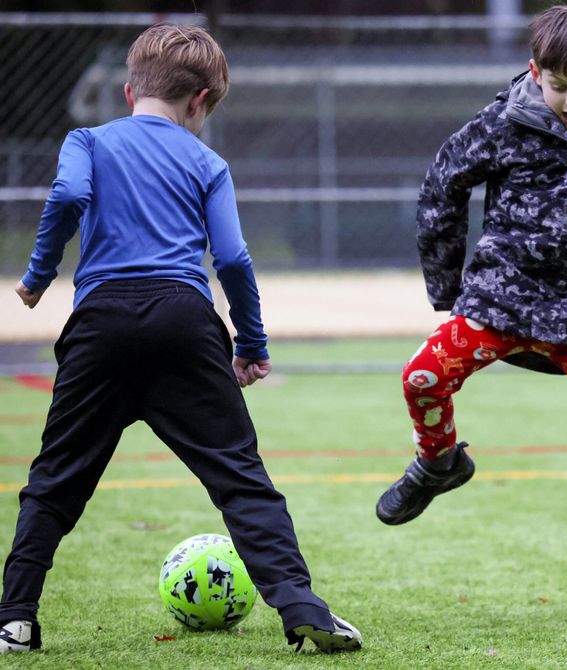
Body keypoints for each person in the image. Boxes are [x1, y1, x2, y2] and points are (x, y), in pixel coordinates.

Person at [0, 24, 361, 654]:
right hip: (185, 322)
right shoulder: (207, 161)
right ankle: (303, 607)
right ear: (200, 102)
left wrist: (37, 277)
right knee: (240, 477)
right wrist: (250, 343)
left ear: (127, 88)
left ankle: (15, 618)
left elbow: (68, 194)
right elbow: (234, 259)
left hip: (101, 324)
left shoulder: (87, 139)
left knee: (55, 478)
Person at [376, 5, 567, 602]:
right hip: (499, 301)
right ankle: (439, 464)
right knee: (422, 377)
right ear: (536, 73)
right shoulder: (504, 123)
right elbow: (443, 182)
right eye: (559, 86)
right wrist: (448, 287)